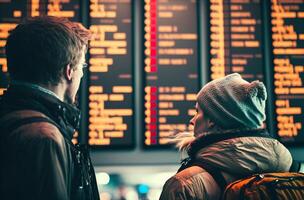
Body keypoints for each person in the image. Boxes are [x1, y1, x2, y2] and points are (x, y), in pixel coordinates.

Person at [0, 17, 99, 200]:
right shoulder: (44, 138)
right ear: (69, 71)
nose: (82, 73)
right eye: (82, 66)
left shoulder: (9, 117)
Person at [160, 73, 292, 200]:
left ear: (212, 119)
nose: (192, 120)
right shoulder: (288, 171)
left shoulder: (183, 185)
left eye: (197, 111)